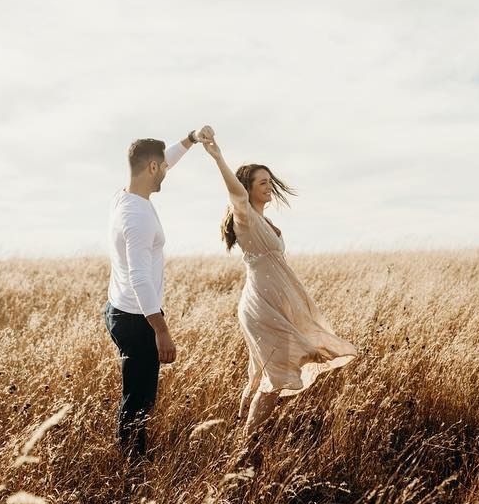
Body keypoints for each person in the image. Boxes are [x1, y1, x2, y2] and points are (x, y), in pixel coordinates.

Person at [201, 134, 358, 440]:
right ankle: (246, 447)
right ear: (247, 189)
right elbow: (234, 192)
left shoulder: (265, 221)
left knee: (262, 373)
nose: (269, 186)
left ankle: (240, 436)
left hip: (275, 303)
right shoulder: (244, 218)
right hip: (261, 305)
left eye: (269, 181)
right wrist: (218, 157)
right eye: (262, 182)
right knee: (275, 375)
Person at [104, 126, 213, 461]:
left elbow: (166, 159)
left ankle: (132, 456)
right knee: (139, 399)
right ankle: (132, 466)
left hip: (120, 309)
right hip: (137, 319)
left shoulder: (126, 196)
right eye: (162, 166)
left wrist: (192, 139)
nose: (167, 169)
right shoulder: (137, 216)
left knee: (137, 394)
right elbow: (139, 277)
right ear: (152, 168)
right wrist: (161, 329)